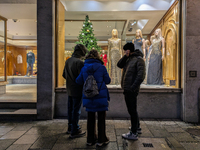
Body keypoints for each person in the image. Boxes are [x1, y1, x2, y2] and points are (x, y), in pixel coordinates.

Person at [76, 50, 111, 146]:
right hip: (100, 96)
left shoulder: (84, 68)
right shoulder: (102, 67)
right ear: (97, 57)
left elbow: (78, 81)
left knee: (90, 119)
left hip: (89, 97)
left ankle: (90, 139)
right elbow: (108, 80)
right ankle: (101, 139)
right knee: (101, 118)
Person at [117, 43, 145, 140]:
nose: (125, 52)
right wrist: (125, 56)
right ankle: (137, 127)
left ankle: (133, 133)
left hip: (131, 89)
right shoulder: (129, 59)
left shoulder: (139, 60)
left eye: (125, 50)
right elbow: (119, 65)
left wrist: (133, 87)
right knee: (132, 109)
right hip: (128, 88)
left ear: (129, 50)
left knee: (132, 110)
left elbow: (141, 76)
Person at [62, 44, 87, 138]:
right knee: (76, 110)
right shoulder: (80, 62)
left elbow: (64, 74)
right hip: (77, 89)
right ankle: (75, 130)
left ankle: (70, 127)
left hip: (69, 88)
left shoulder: (68, 60)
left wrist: (70, 80)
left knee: (70, 109)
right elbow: (82, 78)